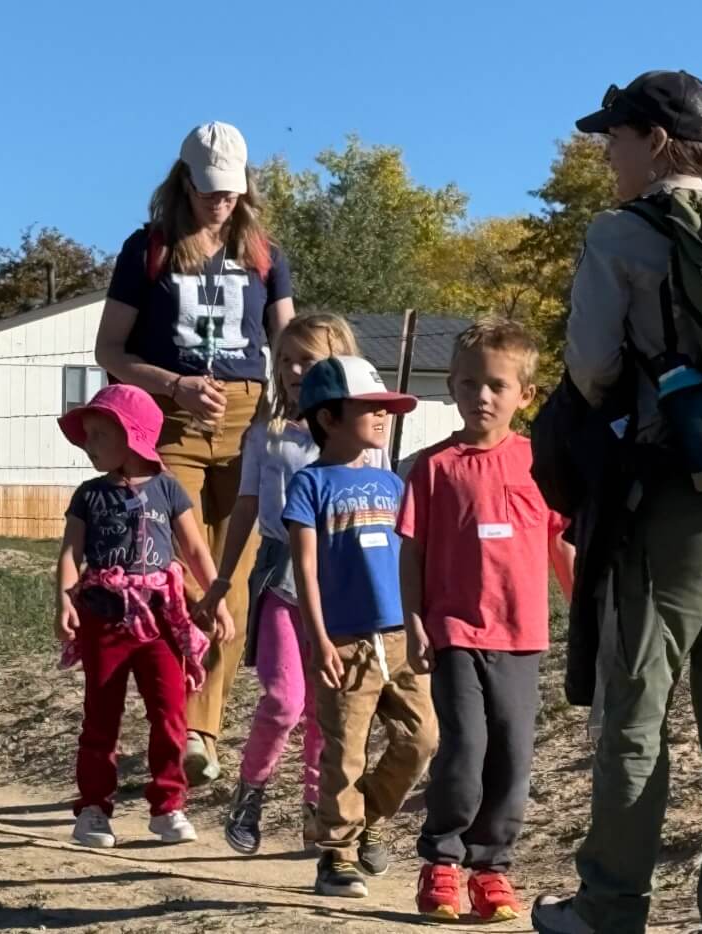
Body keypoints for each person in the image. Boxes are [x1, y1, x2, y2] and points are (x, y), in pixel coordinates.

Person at [531, 71, 702, 934]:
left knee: (635, 716)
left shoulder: (624, 230)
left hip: (682, 495)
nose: (605, 151)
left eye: (613, 136)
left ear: (655, 139)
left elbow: (594, 368)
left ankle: (610, 906)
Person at [94, 121, 295, 786]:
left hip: (248, 422)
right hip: (170, 422)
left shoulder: (265, 253)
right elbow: (111, 352)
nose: (220, 203)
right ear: (184, 182)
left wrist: (300, 409)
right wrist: (173, 383)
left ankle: (200, 732)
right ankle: (173, 716)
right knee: (176, 566)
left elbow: (288, 343)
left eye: (231, 193)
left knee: (232, 576)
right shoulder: (146, 250)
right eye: (210, 191)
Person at [398, 322, 574, 922]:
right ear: (450, 386)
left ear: (525, 394)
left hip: (521, 636)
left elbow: (563, 544)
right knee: (466, 745)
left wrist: (588, 614)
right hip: (453, 632)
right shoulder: (433, 466)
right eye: (469, 383)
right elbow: (412, 550)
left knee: (512, 756)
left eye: (497, 385)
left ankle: (492, 869)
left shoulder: (539, 462)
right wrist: (414, 620)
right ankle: (442, 859)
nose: (482, 396)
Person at [195, 313, 386, 855]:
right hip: (282, 581)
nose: (294, 370)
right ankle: (250, 791)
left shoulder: (368, 438)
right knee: (284, 700)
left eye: (307, 359)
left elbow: (381, 508)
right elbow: (247, 505)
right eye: (285, 361)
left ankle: (317, 810)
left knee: (330, 710)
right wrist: (223, 576)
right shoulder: (267, 434)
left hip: (344, 585)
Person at [283, 356, 438, 899]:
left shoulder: (391, 481)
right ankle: (337, 857)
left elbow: (409, 556)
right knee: (345, 750)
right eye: (370, 408)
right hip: (343, 642)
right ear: (329, 418)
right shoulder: (310, 483)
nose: (382, 417)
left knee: (422, 739)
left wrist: (419, 625)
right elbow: (304, 568)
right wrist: (319, 637)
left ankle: (364, 819)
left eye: (385, 409)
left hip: (398, 636)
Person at [55, 384, 234, 848]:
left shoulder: (168, 488)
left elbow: (194, 547)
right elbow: (71, 552)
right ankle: (94, 807)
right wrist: (65, 599)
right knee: (101, 714)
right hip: (105, 616)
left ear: (133, 436)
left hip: (160, 619)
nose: (88, 444)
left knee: (170, 712)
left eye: (98, 434)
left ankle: (169, 806)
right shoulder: (89, 495)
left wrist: (217, 598)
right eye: (87, 434)